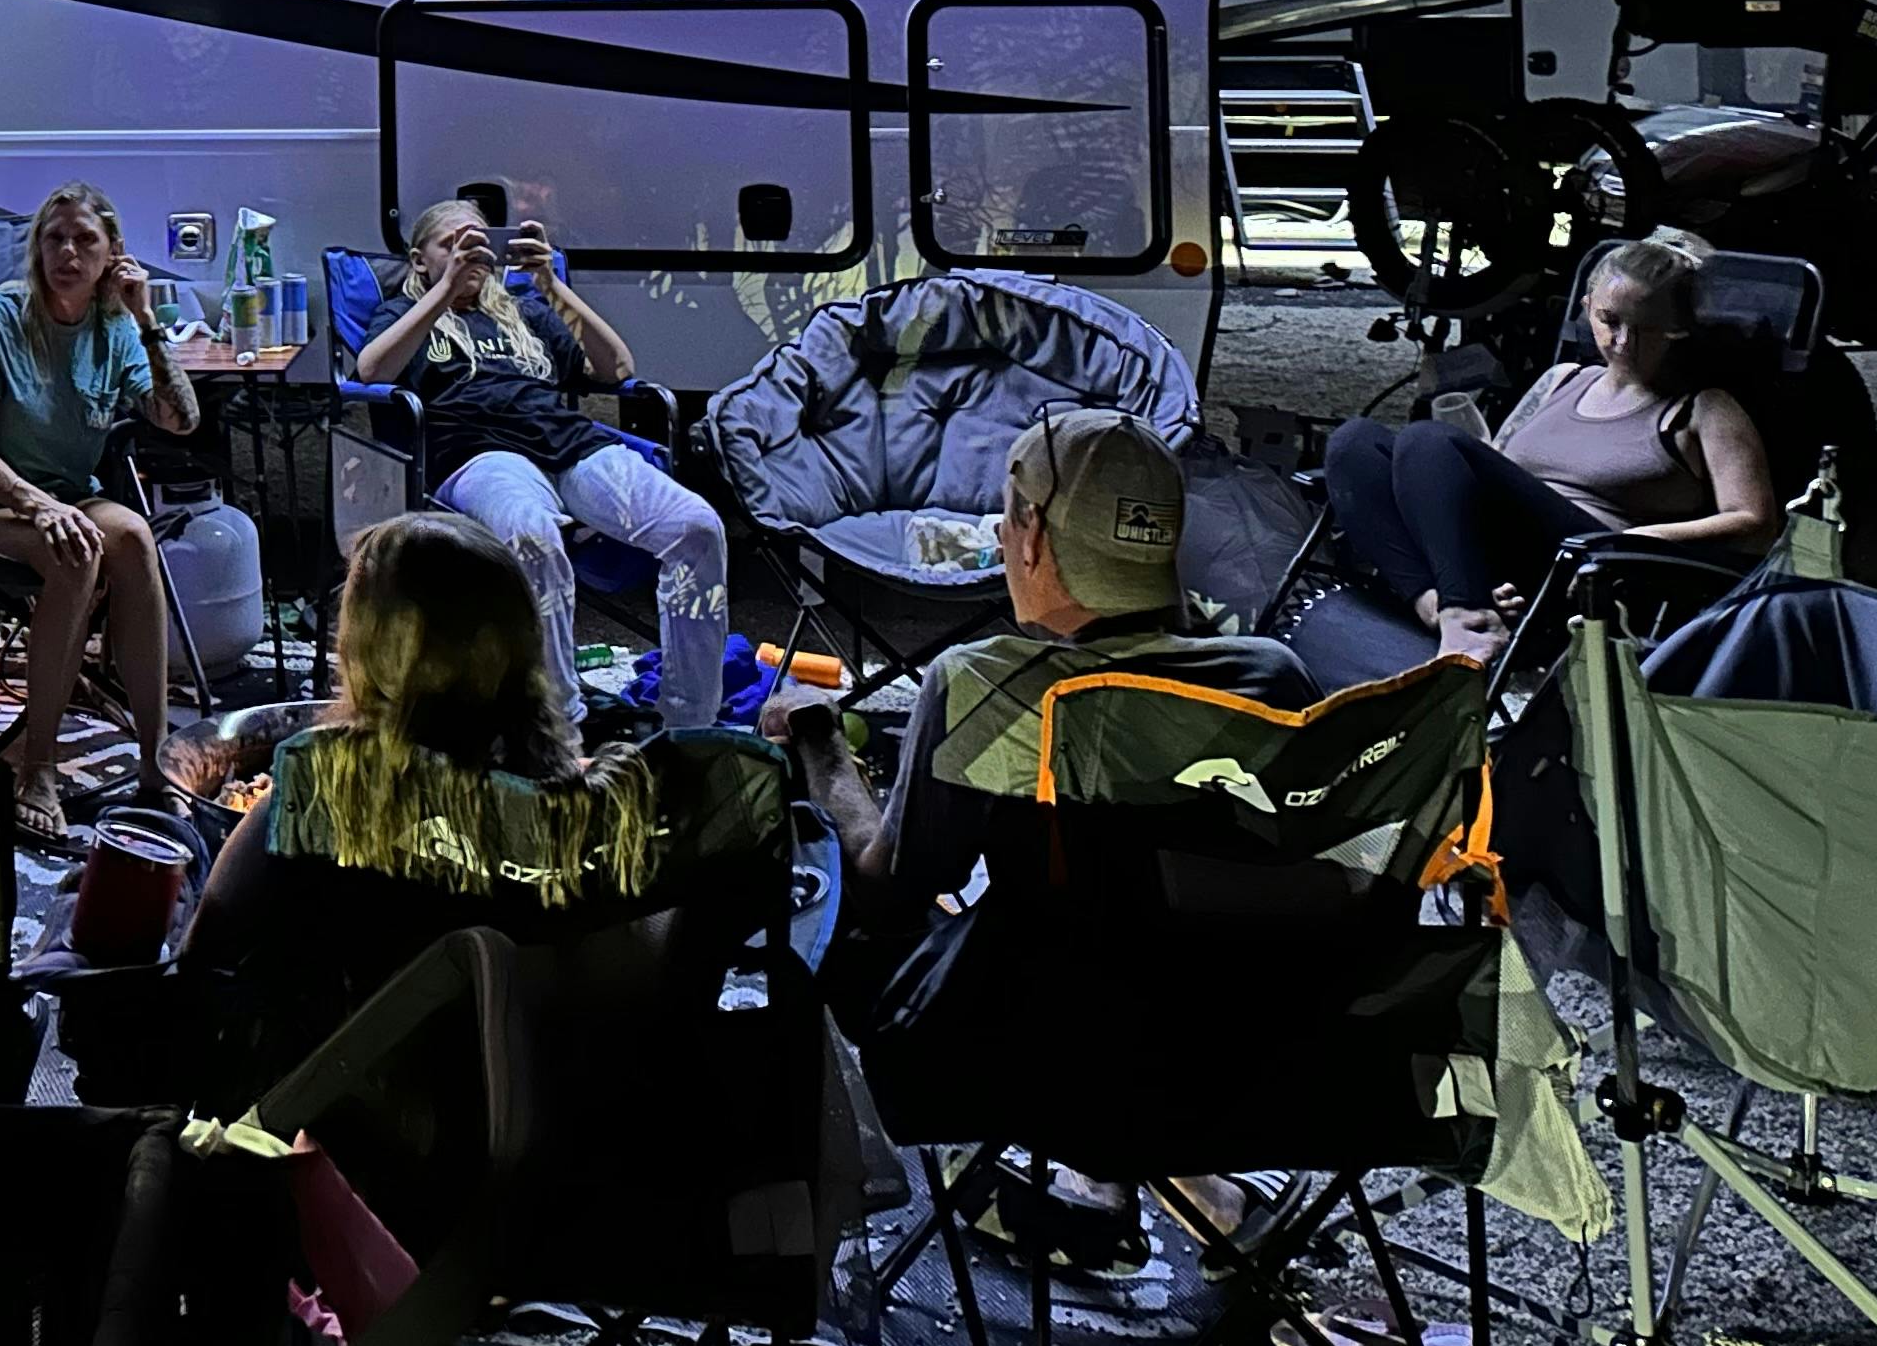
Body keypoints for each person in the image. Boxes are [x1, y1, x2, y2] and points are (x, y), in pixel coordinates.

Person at [762, 407, 1310, 1268]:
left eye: (1011, 509)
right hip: (1239, 1047)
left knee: (822, 896)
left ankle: (817, 1192)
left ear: (1031, 537)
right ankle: (1170, 1180)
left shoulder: (988, 685)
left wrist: (824, 748)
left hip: (1035, 1054)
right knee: (1118, 922)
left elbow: (890, 883)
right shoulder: (1271, 675)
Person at [144, 512, 782, 1112]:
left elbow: (206, 956)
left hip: (351, 1096)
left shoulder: (331, 777)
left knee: (160, 851)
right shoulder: (572, 817)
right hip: (537, 1092)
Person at [356, 197, 729, 729]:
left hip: (570, 445)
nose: (472, 255)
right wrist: (445, 290)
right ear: (420, 260)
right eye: (454, 245)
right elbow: (371, 371)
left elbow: (616, 366)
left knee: (697, 527)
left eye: (483, 243)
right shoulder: (404, 312)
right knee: (531, 536)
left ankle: (690, 725)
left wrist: (551, 284)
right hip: (481, 454)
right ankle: (560, 724)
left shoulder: (526, 310)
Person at [1322, 226, 1776, 660]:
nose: (1621, 342)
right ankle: (1440, 606)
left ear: (1678, 329)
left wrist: (1640, 539)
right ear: (1586, 307)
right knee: (1354, 443)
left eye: (1645, 328)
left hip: (1590, 560)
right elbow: (1490, 460)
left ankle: (1470, 617)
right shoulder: (1562, 379)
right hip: (1500, 550)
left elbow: (1754, 523)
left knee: (1428, 438)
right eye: (1609, 320)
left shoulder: (1702, 408)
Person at [0, 182, 206, 843]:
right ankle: (38, 768)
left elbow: (181, 420)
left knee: (133, 536)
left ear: (113, 255)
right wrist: (40, 506)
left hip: (68, 500)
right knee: (74, 548)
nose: (67, 253)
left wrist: (146, 320)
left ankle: (153, 761)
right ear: (37, 249)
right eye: (54, 239)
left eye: (85, 240)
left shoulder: (114, 329)